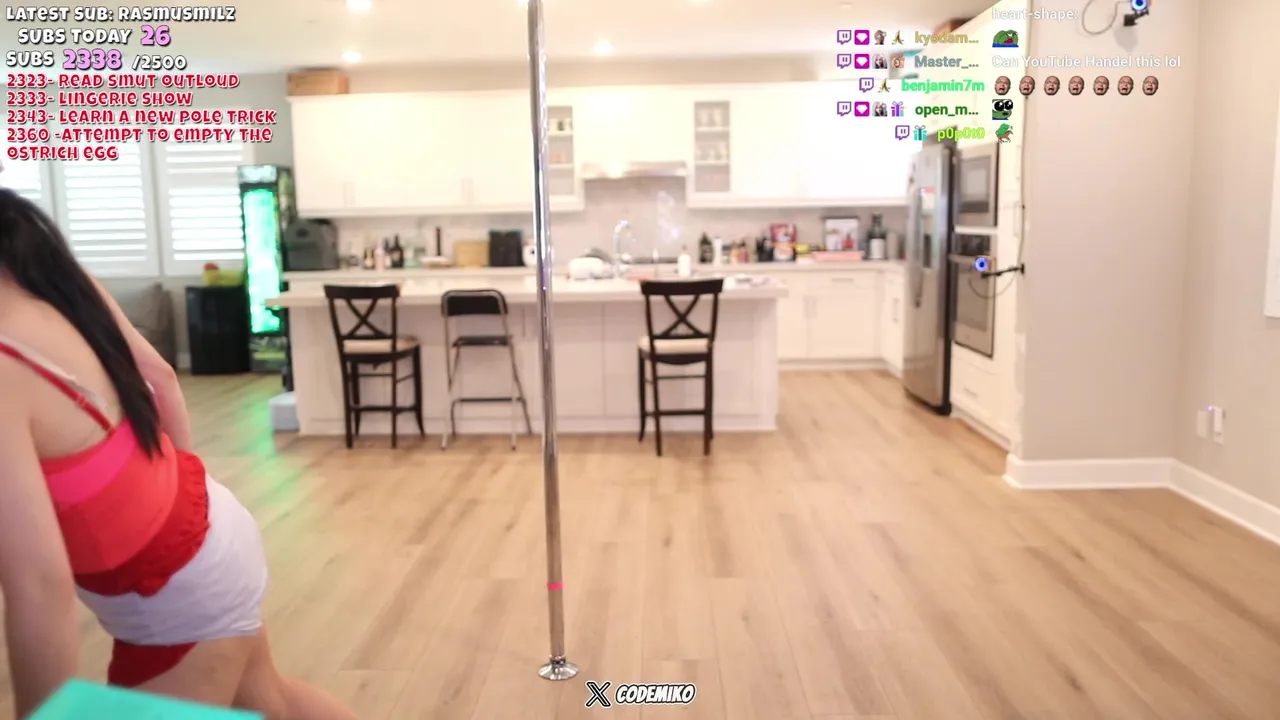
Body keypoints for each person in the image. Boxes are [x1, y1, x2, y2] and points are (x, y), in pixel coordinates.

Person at [0, 189, 359, 719]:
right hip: (206, 525)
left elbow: (38, 585)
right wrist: (184, 508)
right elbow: (163, 378)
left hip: (175, 590)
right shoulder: (59, 286)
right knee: (272, 702)